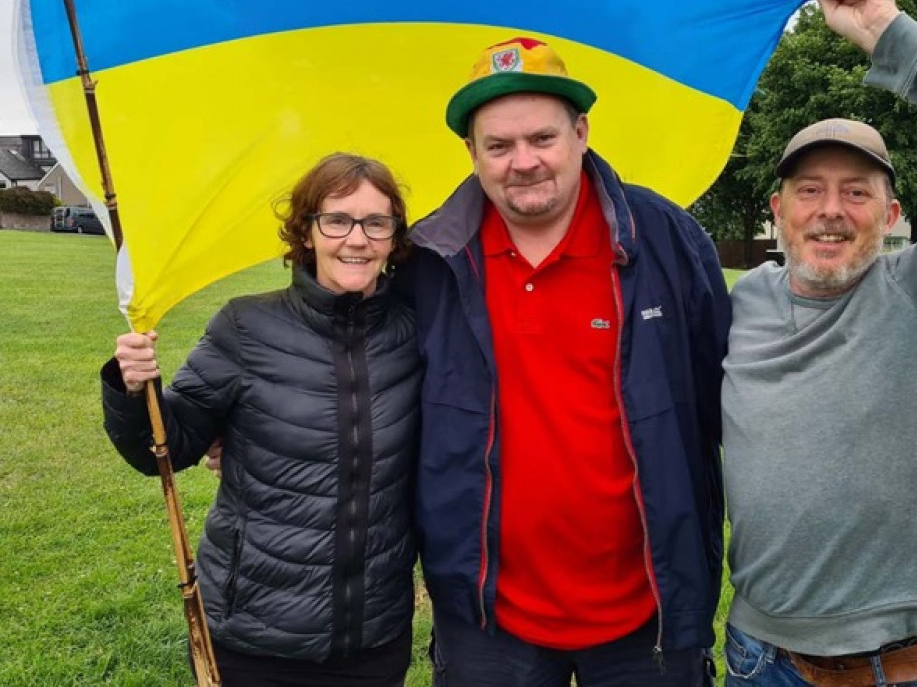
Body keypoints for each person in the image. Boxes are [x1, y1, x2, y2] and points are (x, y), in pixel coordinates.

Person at [394, 37, 731, 686]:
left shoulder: (664, 239)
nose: (524, 162)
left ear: (581, 132)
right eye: (498, 145)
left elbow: (733, 398)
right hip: (489, 619)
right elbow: (368, 376)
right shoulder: (432, 259)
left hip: (649, 613)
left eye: (542, 138)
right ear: (471, 153)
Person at [722, 0, 917, 686]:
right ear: (777, 211)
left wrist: (889, 33)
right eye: (810, 191)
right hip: (763, 659)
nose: (831, 211)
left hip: (910, 667)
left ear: (894, 213)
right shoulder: (738, 304)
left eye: (857, 192)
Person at [101, 153, 422, 686]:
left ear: (394, 237)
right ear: (306, 231)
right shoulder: (246, 326)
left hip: (373, 636)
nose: (357, 239)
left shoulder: (414, 332)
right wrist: (135, 392)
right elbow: (168, 446)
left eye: (376, 222)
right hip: (253, 636)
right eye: (336, 220)